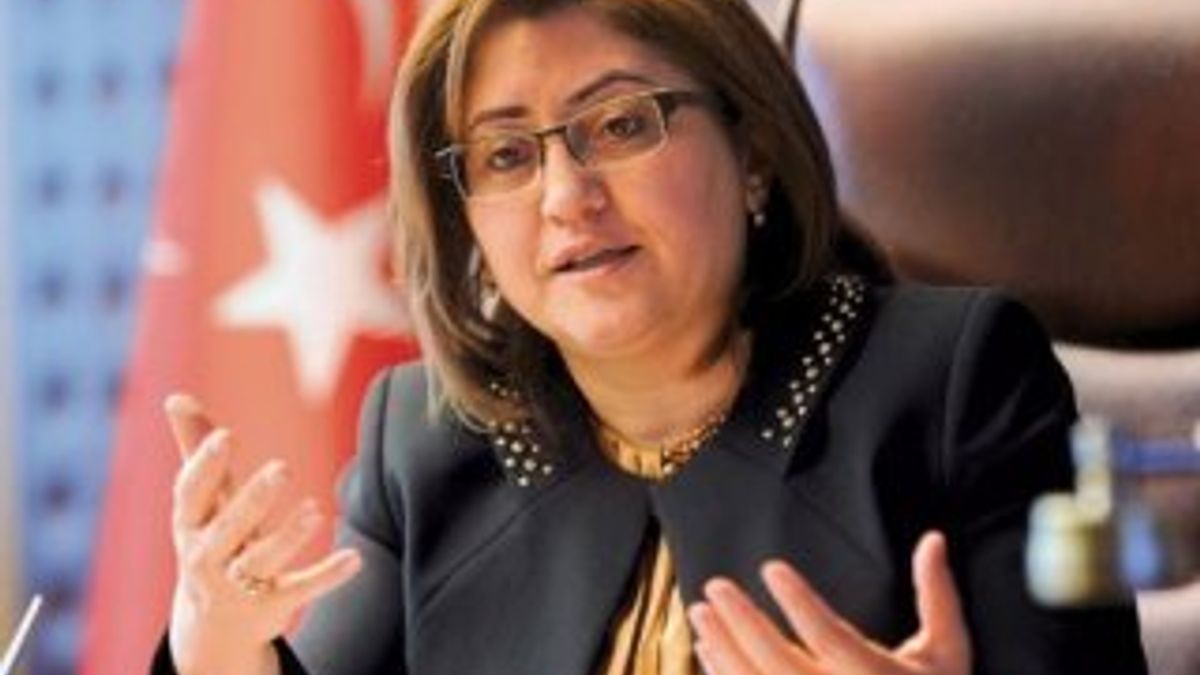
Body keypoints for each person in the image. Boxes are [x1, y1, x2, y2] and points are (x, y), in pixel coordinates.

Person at [153, 0, 1149, 673]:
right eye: (506, 156)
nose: (566, 196)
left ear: (753, 150)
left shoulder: (957, 381)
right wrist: (221, 645)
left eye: (623, 124)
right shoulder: (427, 439)